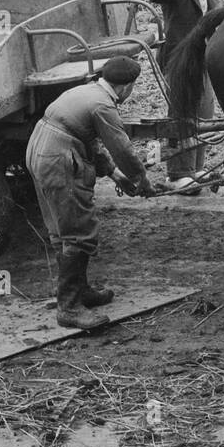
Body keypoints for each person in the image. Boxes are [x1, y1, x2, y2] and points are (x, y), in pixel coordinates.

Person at [24, 55, 153, 331]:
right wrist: (142, 180)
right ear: (126, 87)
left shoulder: (86, 91)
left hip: (41, 149)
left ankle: (79, 292)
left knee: (61, 229)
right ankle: (69, 308)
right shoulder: (103, 105)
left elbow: (88, 139)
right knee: (78, 230)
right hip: (59, 157)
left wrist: (114, 175)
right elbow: (123, 149)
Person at [141, 0, 218, 192]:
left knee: (205, 112)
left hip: (201, 57)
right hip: (180, 60)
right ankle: (177, 174)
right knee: (182, 113)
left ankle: (196, 167)